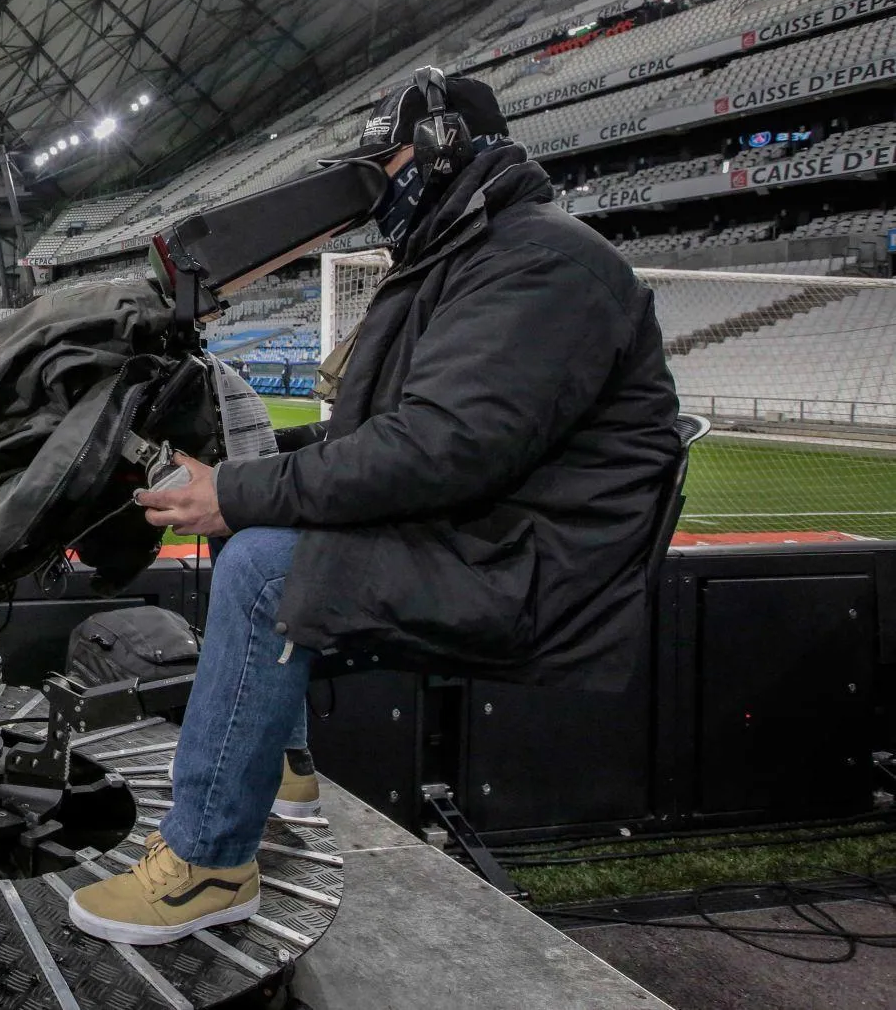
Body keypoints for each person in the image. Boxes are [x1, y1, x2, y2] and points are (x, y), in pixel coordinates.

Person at [68, 73, 680, 946]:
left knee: (259, 565)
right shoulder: (469, 252)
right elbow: (389, 438)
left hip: (531, 567)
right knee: (260, 527)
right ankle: (277, 763)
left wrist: (238, 494)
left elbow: (434, 452)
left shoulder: (540, 261)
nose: (369, 188)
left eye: (381, 163)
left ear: (441, 150)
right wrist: (251, 466)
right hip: (490, 532)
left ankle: (207, 861)